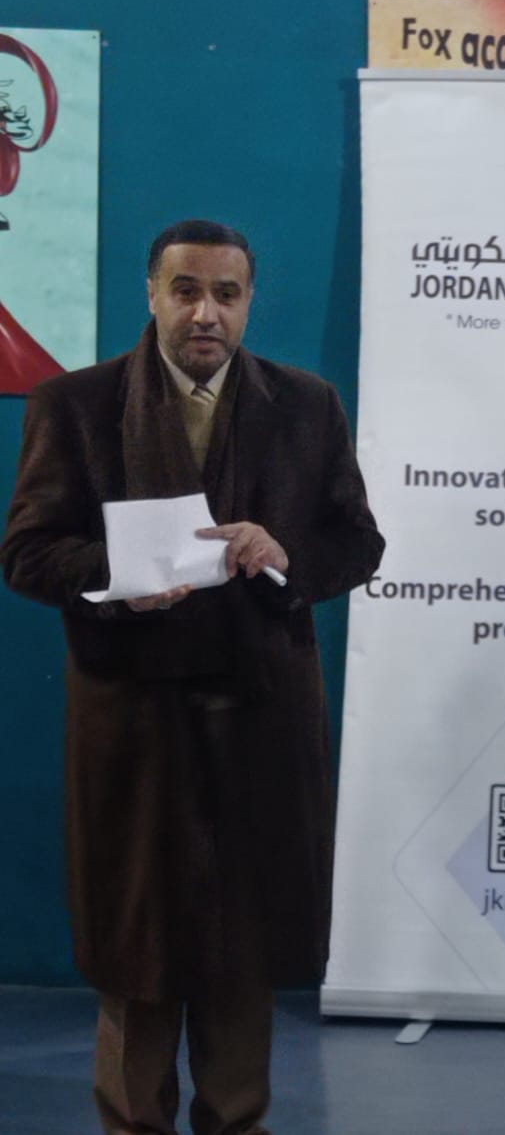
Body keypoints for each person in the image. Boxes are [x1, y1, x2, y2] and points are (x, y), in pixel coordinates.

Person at [1, 219, 385, 1135]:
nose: (205, 312)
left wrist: (285, 553)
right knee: (138, 956)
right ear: (152, 295)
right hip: (134, 721)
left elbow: (358, 542)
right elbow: (26, 551)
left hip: (261, 719)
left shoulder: (308, 406)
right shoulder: (75, 405)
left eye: (225, 294)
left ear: (249, 304)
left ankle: (236, 1124)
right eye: (186, 291)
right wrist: (116, 577)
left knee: (242, 954)